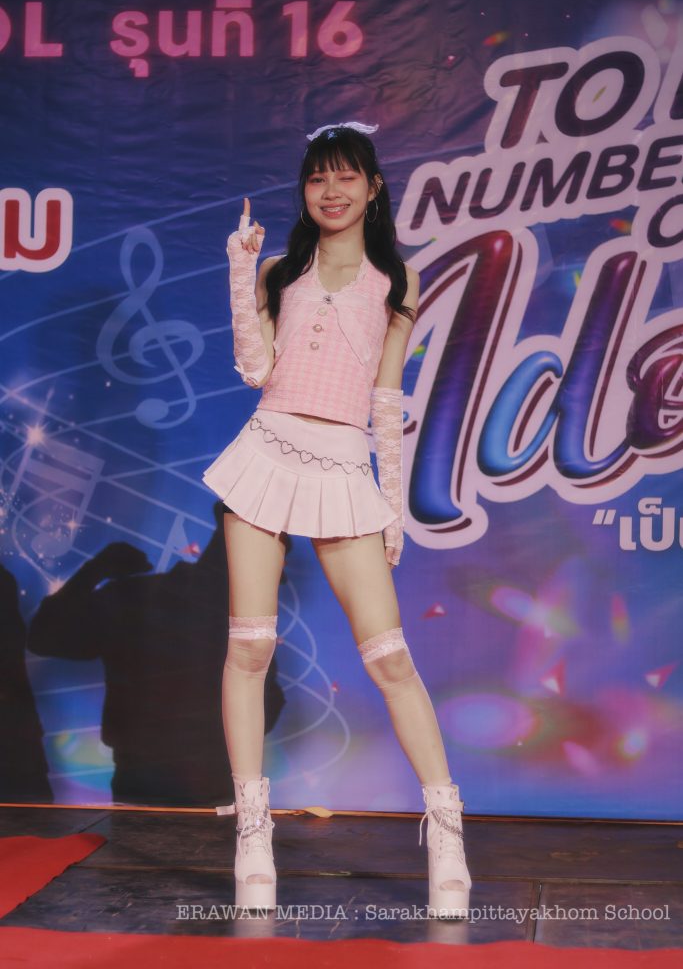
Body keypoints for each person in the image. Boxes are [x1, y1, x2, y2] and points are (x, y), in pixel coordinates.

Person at [202, 123, 471, 918]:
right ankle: (253, 833)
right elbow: (255, 368)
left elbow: (386, 398)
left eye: (346, 176)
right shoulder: (280, 270)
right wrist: (241, 270)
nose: (331, 190)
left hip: (344, 465)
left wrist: (390, 506)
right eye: (318, 178)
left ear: (372, 187)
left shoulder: (397, 278)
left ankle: (447, 835)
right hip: (267, 450)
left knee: (389, 658)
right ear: (305, 190)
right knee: (249, 646)